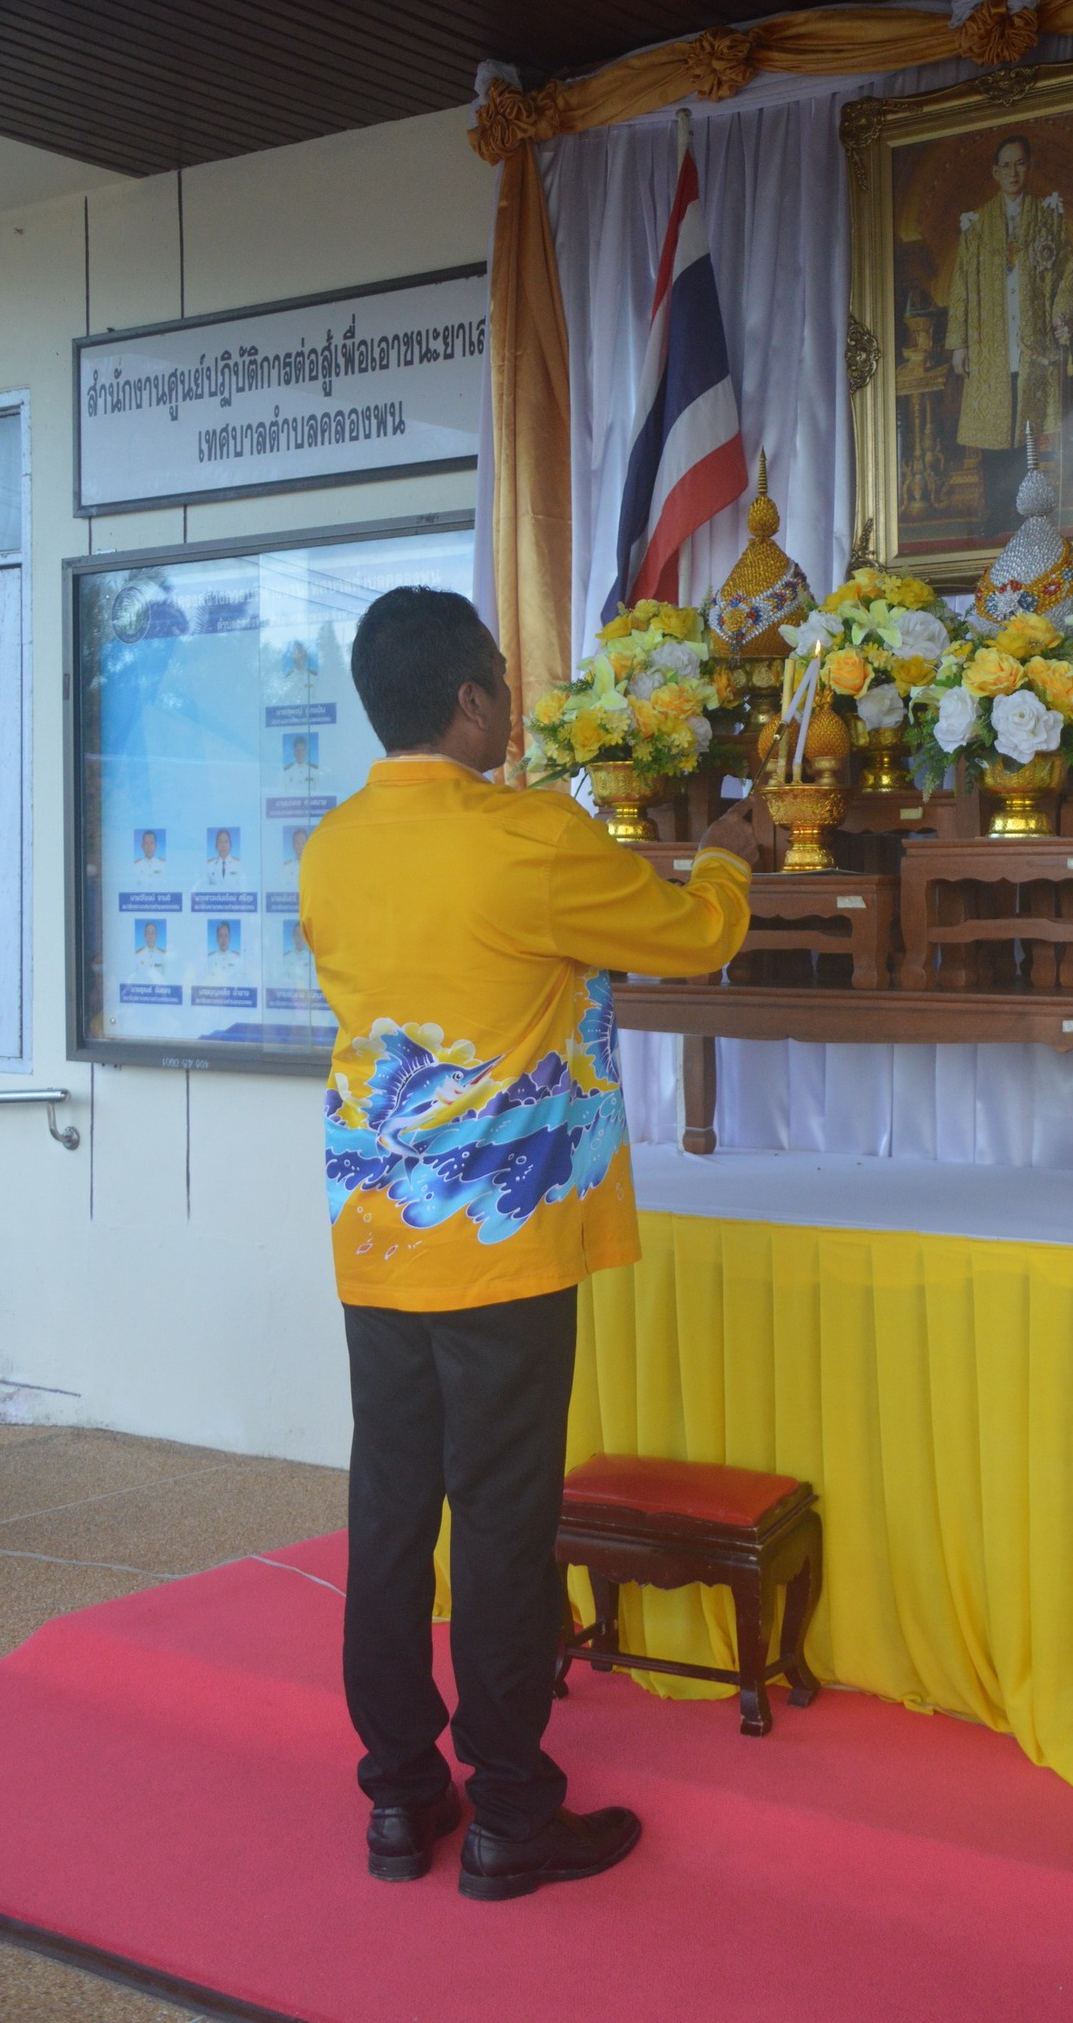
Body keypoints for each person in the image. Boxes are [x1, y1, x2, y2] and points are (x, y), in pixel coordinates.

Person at [299, 587, 757, 1903]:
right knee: (501, 1520)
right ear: (469, 703)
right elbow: (694, 935)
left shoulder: (330, 847)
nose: (511, 702)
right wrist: (723, 850)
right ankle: (508, 1810)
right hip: (496, 1243)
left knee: (391, 1508)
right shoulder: (523, 835)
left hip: (378, 1236)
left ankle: (398, 1799)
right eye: (501, 682)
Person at [945, 132, 1073, 532]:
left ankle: (1031, 515)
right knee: (996, 429)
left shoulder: (1048, 217)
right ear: (994, 171)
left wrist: (1060, 316)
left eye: (1020, 163)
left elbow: (1067, 272)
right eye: (1005, 165)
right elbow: (961, 286)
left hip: (1033, 343)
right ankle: (999, 512)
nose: (1013, 172)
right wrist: (960, 344)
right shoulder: (977, 225)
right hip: (991, 345)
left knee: (1027, 428)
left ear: (1030, 166)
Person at [282, 920, 313, 988]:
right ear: (293, 937)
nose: (299, 938)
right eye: (297, 935)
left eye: (302, 935)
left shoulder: (313, 958)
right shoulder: (285, 958)